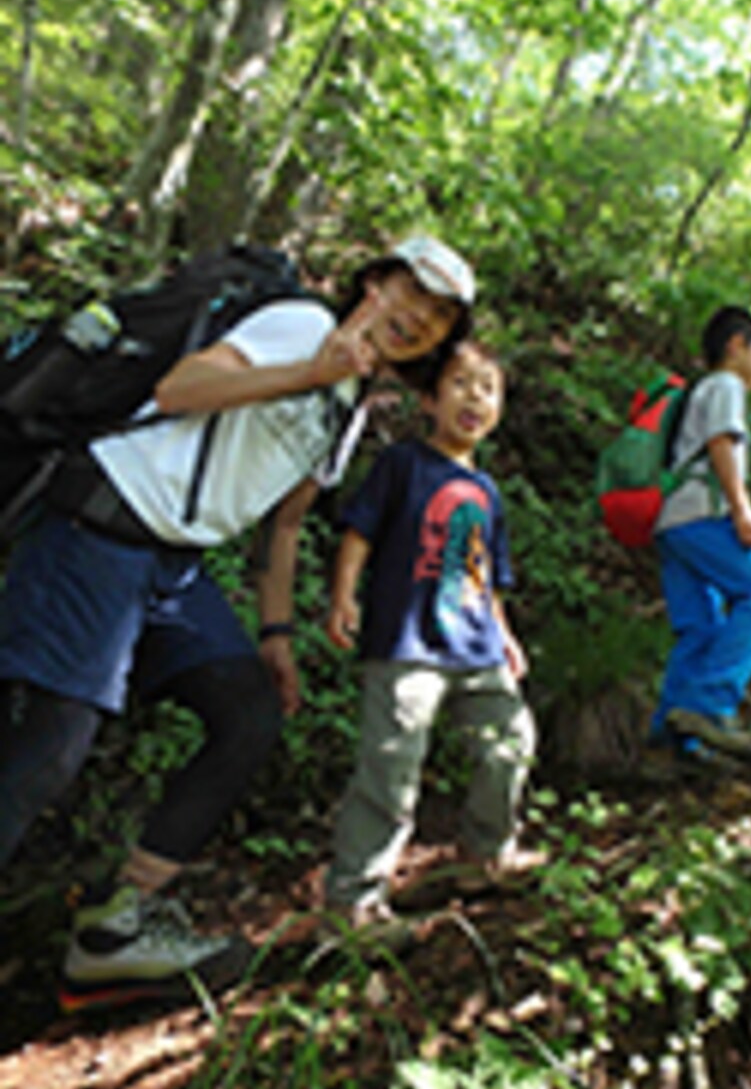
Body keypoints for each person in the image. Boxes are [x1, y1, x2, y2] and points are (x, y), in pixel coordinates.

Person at [0, 234, 475, 1009]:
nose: (417, 318)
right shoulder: (294, 324)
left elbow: (284, 527)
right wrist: (309, 370)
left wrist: (276, 636)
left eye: (440, 316)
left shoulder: (349, 404)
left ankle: (115, 932)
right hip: (101, 524)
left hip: (172, 566)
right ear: (377, 283)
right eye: (411, 292)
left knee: (248, 711)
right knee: (48, 746)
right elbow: (183, 387)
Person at [323, 338, 537, 927]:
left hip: (478, 646)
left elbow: (486, 572)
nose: (476, 397)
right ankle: (353, 901)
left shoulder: (488, 492)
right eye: (462, 384)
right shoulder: (402, 464)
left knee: (511, 742)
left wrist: (506, 635)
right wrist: (344, 596)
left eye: (489, 388)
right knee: (389, 770)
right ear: (429, 399)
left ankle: (484, 854)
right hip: (406, 644)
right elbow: (360, 533)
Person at [646, 306, 751, 773]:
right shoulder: (725, 385)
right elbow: (722, 445)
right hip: (704, 516)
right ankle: (708, 706)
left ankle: (673, 739)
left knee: (699, 628)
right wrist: (742, 508)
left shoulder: (699, 391)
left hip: (670, 523)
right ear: (736, 346)